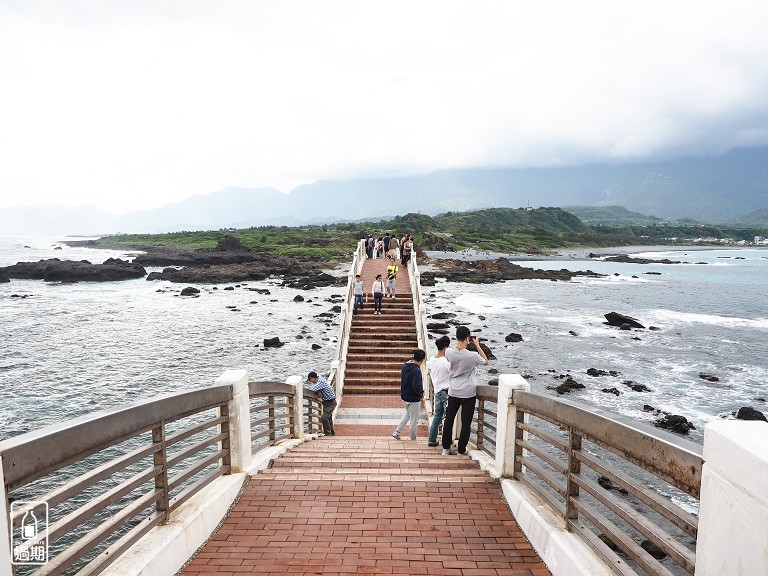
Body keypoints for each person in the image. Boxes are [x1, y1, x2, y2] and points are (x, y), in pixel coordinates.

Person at [441, 326, 489, 455]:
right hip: (468, 392)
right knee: (466, 422)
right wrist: (478, 345)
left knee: (449, 419)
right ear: (468, 338)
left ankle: (445, 448)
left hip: (453, 391)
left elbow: (447, 359)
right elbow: (486, 361)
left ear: (456, 337)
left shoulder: (449, 352)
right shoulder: (472, 356)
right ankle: (461, 450)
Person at [392, 349, 426, 440]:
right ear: (422, 360)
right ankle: (412, 438)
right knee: (414, 420)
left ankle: (397, 432)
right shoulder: (416, 371)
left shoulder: (406, 365)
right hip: (413, 398)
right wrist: (421, 393)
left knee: (407, 414)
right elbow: (416, 386)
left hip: (404, 396)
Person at [427, 336, 451, 447]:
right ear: (445, 348)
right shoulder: (445, 361)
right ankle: (446, 443)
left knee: (437, 417)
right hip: (445, 392)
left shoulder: (432, 359)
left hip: (437, 391)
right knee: (447, 419)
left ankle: (432, 440)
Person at [306, 371, 337, 436]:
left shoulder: (320, 382)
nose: (310, 381)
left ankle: (328, 434)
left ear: (313, 378)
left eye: (310, 379)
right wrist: (318, 392)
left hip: (331, 402)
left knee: (324, 418)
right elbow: (316, 388)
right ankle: (332, 433)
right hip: (326, 402)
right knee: (328, 418)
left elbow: (311, 389)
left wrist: (317, 391)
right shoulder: (319, 379)